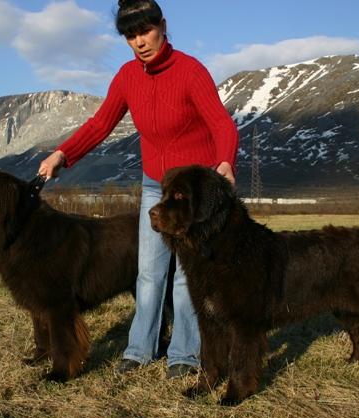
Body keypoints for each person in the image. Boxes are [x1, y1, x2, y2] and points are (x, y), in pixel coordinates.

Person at [38, 0, 238, 379]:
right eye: (130, 35)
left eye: (145, 30)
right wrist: (63, 154)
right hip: (154, 184)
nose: (139, 41)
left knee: (184, 276)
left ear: (162, 25)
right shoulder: (128, 76)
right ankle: (140, 349)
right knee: (148, 272)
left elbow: (222, 124)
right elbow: (100, 125)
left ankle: (183, 354)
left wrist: (225, 160)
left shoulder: (192, 71)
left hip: (190, 192)